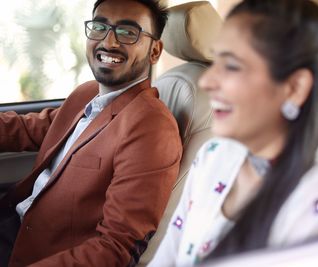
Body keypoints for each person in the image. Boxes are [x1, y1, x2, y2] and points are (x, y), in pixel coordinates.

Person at [148, 0, 318, 266]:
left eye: (231, 66)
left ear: (294, 87)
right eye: (216, 61)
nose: (207, 81)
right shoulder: (212, 155)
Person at [0, 0, 182, 266]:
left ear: (154, 51)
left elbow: (115, 248)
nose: (109, 42)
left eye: (128, 32)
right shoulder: (87, 93)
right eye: (99, 27)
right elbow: (26, 128)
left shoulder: (152, 128)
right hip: (13, 222)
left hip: (39, 255)